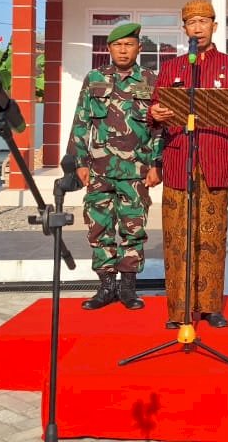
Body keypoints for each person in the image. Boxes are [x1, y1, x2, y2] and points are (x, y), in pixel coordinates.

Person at [150, 0, 228, 329]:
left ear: (215, 26)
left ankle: (212, 305)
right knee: (177, 237)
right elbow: (154, 112)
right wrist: (154, 115)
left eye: (204, 21)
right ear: (184, 28)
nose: (197, 27)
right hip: (177, 161)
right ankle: (179, 309)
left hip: (215, 160)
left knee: (212, 235)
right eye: (191, 22)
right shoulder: (171, 68)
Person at [66, 22, 165, 311]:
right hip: (98, 169)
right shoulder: (95, 78)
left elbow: (160, 127)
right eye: (118, 45)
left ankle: (129, 288)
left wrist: (157, 164)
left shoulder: (150, 79)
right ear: (109, 48)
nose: (123, 50)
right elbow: (81, 121)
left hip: (135, 172)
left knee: (133, 228)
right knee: (99, 228)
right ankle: (106, 286)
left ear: (139, 48)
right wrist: (79, 162)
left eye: (129, 44)